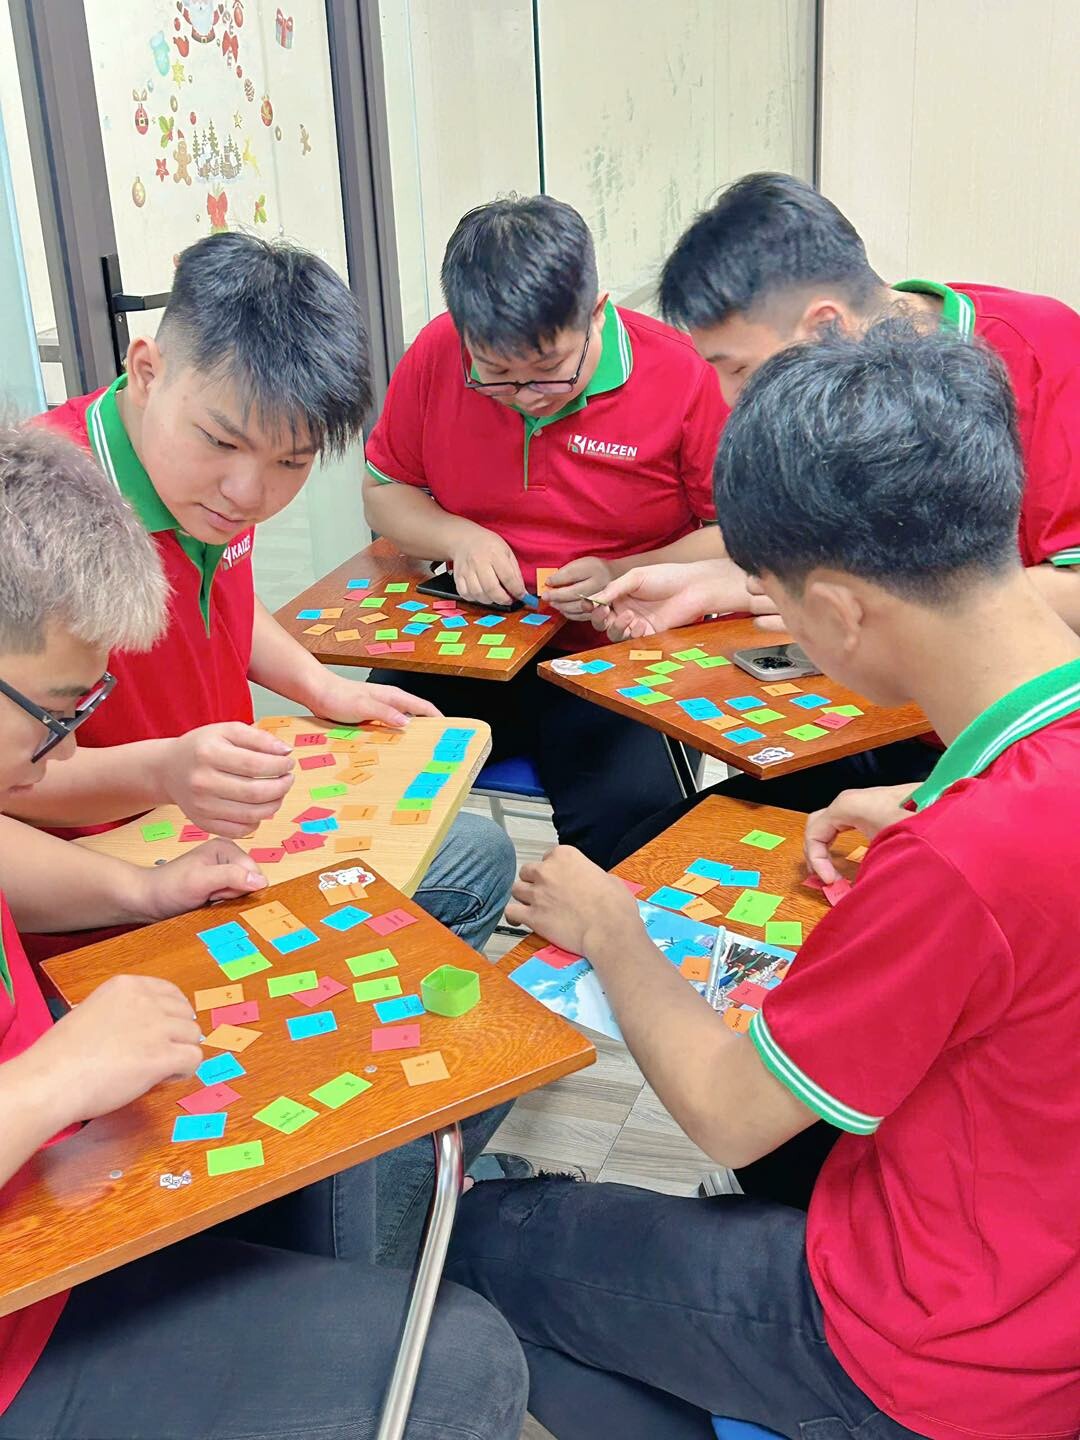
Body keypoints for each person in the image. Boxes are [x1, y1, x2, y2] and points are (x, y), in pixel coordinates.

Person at [447, 323, 1080, 1439]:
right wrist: (928, 797)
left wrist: (614, 929)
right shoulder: (1000, 798)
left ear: (838, 610)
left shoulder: (960, 861)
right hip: (1033, 1253)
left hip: (938, 1357)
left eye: (770, 597)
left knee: (477, 1246)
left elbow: (730, 1115)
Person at [0, 425, 527, 1440]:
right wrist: (53, 1080)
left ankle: (357, 1260)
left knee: (349, 1052)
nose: (61, 754)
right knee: (461, 1366)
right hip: (29, 1320)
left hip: (59, 1172)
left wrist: (147, 892)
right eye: (58, 714)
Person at [14, 231, 514, 965]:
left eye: (291, 461)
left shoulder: (202, 488)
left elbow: (224, 606)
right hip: (99, 892)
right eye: (221, 443)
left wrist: (321, 687)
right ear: (146, 370)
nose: (249, 494)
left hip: (211, 827)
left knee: (475, 855)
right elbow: (15, 782)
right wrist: (164, 772)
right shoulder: (36, 518)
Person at [594, 170, 1080, 827]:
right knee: (660, 843)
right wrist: (731, 582)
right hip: (878, 713)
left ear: (825, 323)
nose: (731, 400)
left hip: (1019, 748)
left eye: (739, 369)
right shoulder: (817, 398)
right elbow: (866, 566)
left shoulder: (1043, 352)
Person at [363, 195, 734, 866]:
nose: (529, 397)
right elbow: (384, 495)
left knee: (633, 840)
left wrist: (622, 571)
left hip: (616, 652)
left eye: (549, 371)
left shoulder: (683, 374)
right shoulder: (438, 353)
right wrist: (459, 538)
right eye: (497, 378)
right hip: (467, 641)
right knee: (363, 782)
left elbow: (733, 535)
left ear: (597, 313)